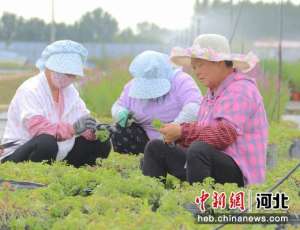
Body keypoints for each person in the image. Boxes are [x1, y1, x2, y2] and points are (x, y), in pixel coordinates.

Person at [142, 34, 268, 187]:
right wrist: (177, 138)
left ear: (220, 63)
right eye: (194, 67)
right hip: (207, 162)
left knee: (198, 150)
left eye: (200, 65)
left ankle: (202, 208)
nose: (196, 71)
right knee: (156, 148)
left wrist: (182, 132)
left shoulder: (240, 89)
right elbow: (203, 134)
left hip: (239, 173)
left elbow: (224, 134)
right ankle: (151, 202)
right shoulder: (211, 94)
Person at [0, 40, 111, 167]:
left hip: (57, 152)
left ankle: (73, 171)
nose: (70, 78)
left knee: (102, 142)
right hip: (20, 152)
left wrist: (95, 130)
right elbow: (39, 129)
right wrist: (73, 129)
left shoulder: (69, 91)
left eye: (73, 75)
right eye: (66, 73)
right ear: (50, 67)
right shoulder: (31, 90)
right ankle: (35, 176)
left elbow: (82, 118)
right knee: (46, 142)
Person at [111, 50, 202, 154]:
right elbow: (118, 105)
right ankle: (148, 155)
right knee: (118, 131)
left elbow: (194, 108)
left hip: (177, 139)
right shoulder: (131, 87)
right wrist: (120, 112)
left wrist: (173, 128)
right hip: (145, 140)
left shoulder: (181, 81)